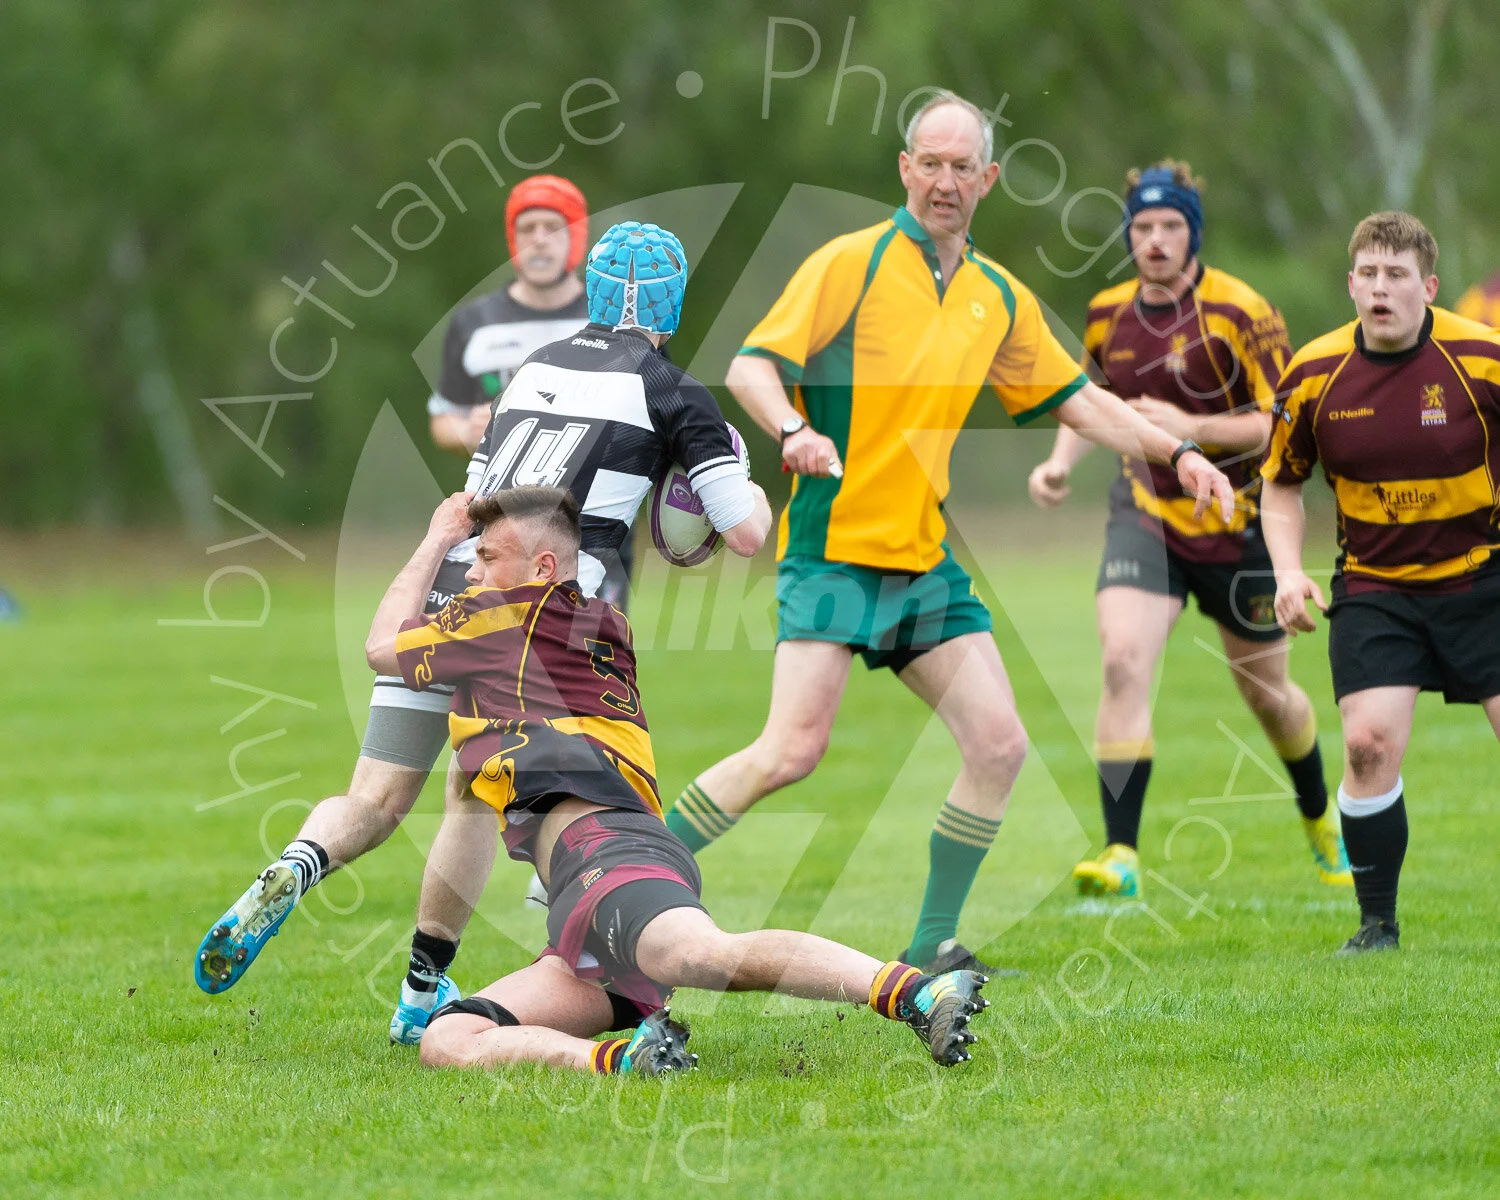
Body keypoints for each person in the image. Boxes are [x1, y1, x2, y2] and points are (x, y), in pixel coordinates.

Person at [659, 91, 1235, 976]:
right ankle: (618, 879)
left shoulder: (996, 297)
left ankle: (932, 945)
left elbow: (1082, 402)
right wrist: (793, 430)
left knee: (1000, 745)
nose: (944, 181)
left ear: (987, 178)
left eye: (962, 167)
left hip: (921, 561)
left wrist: (1181, 453)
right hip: (833, 546)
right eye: (929, 163)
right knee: (790, 751)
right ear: (905, 168)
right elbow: (751, 366)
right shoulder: (850, 264)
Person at [194, 222, 772, 1023]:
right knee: (493, 800)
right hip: (536, 625)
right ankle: (443, 992)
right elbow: (742, 534)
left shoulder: (531, 368)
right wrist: (741, 476)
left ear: (594, 290)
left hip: (455, 585)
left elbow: (472, 501)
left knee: (378, 797)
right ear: (672, 307)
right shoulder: (673, 392)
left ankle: (301, 865)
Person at [370, 487, 989, 1075]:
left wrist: (435, 539)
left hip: (608, 855)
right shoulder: (603, 622)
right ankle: (626, 1060)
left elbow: (380, 648)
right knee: (449, 1037)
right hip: (595, 898)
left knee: (701, 955)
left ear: (542, 567)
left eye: (485, 556)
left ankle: (917, 993)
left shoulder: (500, 617)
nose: (471, 571)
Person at [1027, 160, 1349, 898]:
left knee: (1267, 694)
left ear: (1193, 233)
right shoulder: (1107, 312)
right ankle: (1121, 854)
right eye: (1142, 227)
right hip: (1145, 517)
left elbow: (1281, 422)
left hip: (1239, 523)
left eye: (1171, 226)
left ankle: (1318, 815)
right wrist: (1059, 463)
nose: (1156, 240)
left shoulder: (1242, 310)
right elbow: (1087, 397)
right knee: (1122, 661)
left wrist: (1189, 427)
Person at [1261, 211, 1500, 954]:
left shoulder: (1484, 359)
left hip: (1485, 577)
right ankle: (1376, 926)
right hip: (1376, 586)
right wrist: (1288, 572)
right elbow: (1281, 484)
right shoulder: (1314, 373)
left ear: (1428, 286)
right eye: (1368, 273)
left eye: (1396, 275)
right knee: (1366, 744)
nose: (1380, 288)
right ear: (1350, 284)